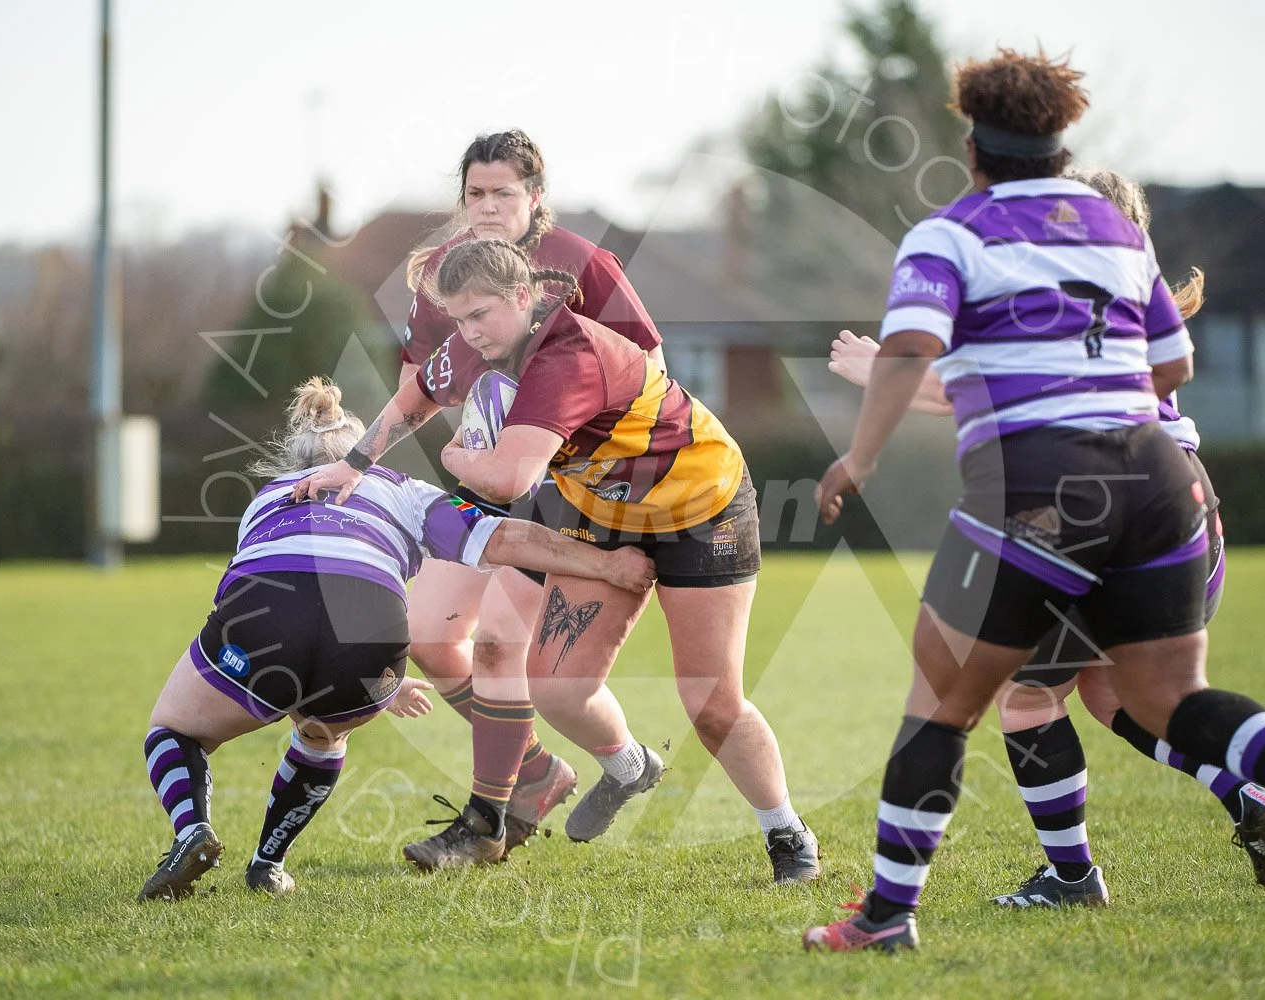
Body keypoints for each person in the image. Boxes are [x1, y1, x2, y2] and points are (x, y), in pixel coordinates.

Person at [804, 49, 1265, 952]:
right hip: (1162, 481)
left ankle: (888, 918)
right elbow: (1174, 363)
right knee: (1168, 697)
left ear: (973, 148)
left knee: (944, 698)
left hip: (1043, 488)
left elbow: (911, 353)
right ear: (1061, 144)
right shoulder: (1118, 235)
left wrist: (861, 456)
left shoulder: (950, 234)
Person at [824, 168, 1265, 908]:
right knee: (1117, 694)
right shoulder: (1129, 294)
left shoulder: (1067, 294)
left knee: (1025, 695)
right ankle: (1254, 796)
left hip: (1102, 514)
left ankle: (1073, 878)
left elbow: (976, 387)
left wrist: (878, 371)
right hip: (1183, 512)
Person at [295, 239, 822, 883]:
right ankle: (630, 767)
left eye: (480, 315)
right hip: (603, 514)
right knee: (555, 686)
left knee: (710, 700)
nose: (469, 333)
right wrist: (353, 464)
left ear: (524, 296)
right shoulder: (482, 341)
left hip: (701, 508)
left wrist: (456, 457)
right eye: (458, 319)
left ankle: (786, 831)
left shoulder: (566, 357)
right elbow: (415, 396)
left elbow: (509, 479)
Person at [137, 378, 655, 902]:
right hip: (373, 647)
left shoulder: (269, 497)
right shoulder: (404, 489)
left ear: (296, 460)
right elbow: (501, 539)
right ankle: (267, 865)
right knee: (321, 735)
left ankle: (192, 831)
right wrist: (605, 564)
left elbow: (257, 593)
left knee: (174, 729)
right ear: (364, 454)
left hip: (266, 619)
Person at [394, 130, 666, 851]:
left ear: (535, 196)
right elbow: (416, 379)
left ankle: (484, 822)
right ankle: (548, 771)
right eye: (474, 193)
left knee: (498, 648)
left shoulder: (580, 262)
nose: (486, 207)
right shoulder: (443, 273)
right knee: (428, 635)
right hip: (489, 477)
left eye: (503, 193)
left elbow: (649, 364)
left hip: (566, 486)